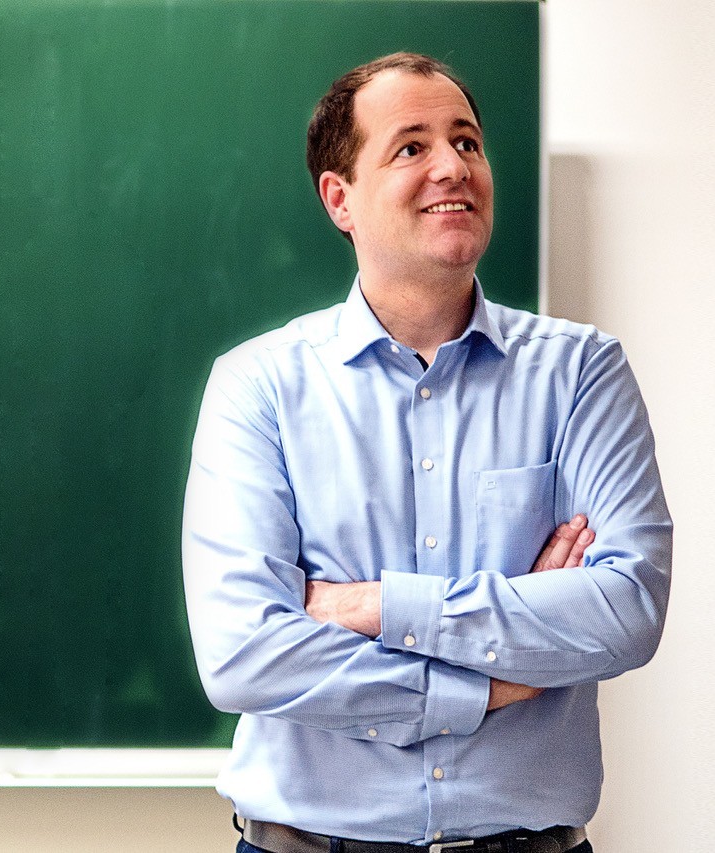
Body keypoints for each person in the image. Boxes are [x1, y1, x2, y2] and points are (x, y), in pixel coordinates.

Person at [183, 52, 672, 853]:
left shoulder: (582, 372)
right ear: (339, 198)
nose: (453, 166)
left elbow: (628, 610)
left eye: (467, 142)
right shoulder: (258, 388)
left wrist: (379, 605)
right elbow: (244, 654)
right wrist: (492, 681)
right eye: (412, 146)